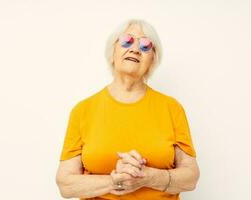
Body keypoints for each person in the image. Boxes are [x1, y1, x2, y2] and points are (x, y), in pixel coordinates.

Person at [55, 18, 200, 200]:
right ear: (112, 51)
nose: (135, 49)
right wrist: (115, 181)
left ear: (153, 60)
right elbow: (65, 185)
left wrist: (148, 177)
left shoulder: (172, 108)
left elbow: (191, 178)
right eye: (127, 41)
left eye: (146, 45)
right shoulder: (83, 110)